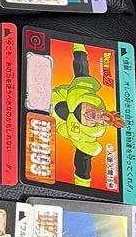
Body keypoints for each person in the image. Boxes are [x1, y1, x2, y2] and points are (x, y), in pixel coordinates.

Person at [50, 43, 125, 184]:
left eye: (98, 121)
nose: (95, 116)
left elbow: (82, 168)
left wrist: (81, 187)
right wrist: (78, 44)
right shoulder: (83, 89)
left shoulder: (84, 139)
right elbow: (81, 64)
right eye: (99, 112)